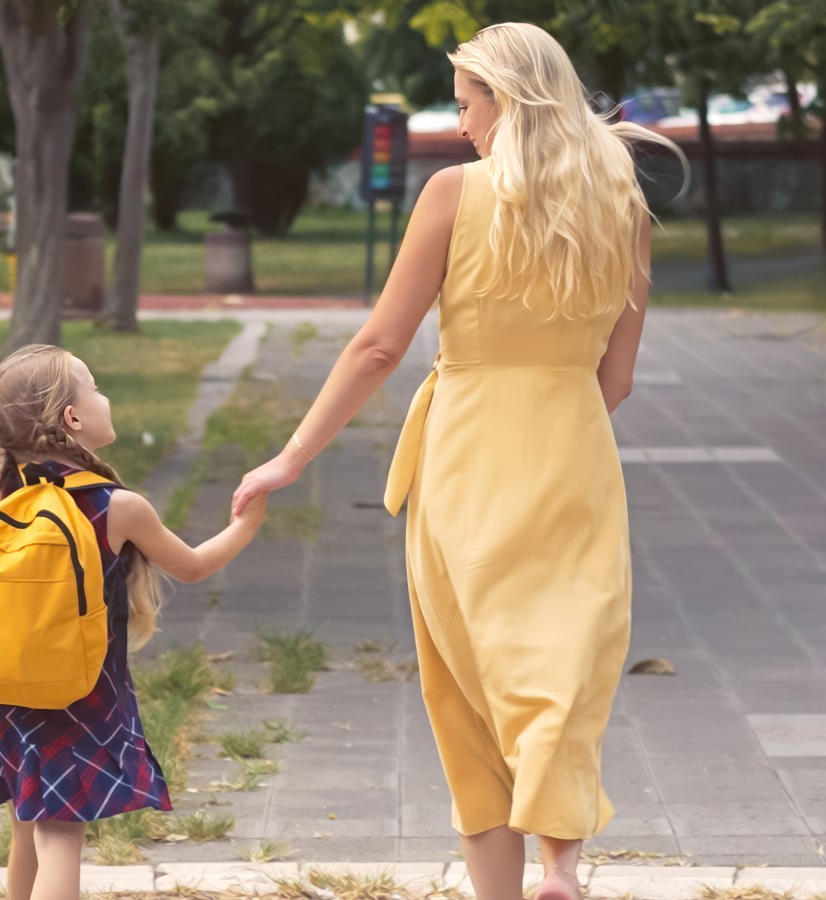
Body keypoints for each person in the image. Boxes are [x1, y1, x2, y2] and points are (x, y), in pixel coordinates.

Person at [231, 23, 683, 900]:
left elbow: (377, 348)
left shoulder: (453, 193)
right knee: (561, 661)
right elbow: (616, 379)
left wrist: (290, 458)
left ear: (507, 100)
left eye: (467, 100)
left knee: (467, 686)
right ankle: (560, 861)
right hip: (575, 449)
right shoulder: (626, 204)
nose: (460, 120)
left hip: (469, 450)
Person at [0, 246, 268, 900]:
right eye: (93, 386)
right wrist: (247, 525)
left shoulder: (3, 485)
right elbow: (195, 564)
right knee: (60, 833)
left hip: (6, 689)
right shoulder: (117, 507)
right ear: (73, 419)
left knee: (27, 821)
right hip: (81, 691)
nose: (104, 395)